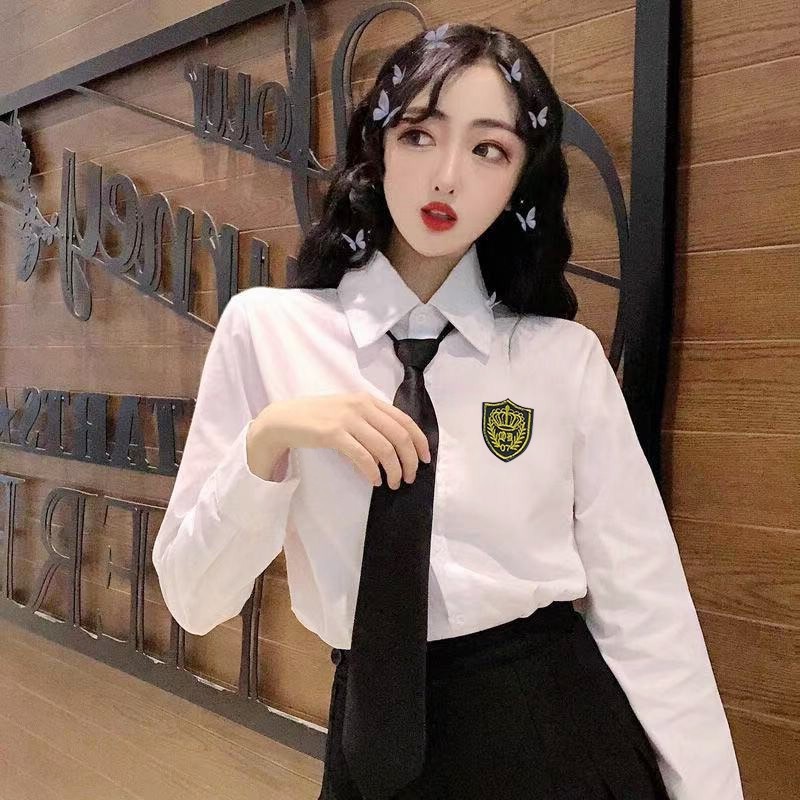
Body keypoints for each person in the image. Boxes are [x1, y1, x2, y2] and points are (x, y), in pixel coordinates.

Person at [151, 21, 744, 800]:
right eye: (420, 135)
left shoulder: (559, 360)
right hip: (373, 739)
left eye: (489, 149)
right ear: (378, 147)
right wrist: (270, 439)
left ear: (521, 178)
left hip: (556, 736)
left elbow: (645, 604)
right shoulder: (269, 331)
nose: (448, 176)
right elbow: (194, 600)